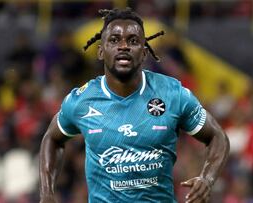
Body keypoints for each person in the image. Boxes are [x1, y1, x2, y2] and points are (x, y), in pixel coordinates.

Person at [39, 8, 229, 203]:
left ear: (144, 52)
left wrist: (207, 179)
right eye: (114, 40)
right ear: (101, 51)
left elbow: (217, 137)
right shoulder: (81, 100)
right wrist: (47, 193)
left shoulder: (172, 94)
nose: (123, 46)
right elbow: (52, 139)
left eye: (133, 41)